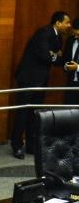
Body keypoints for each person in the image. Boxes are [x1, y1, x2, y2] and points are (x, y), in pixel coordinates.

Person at [11, 11, 71, 158]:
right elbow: (45, 55)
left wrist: (55, 55)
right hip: (28, 79)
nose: (68, 26)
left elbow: (56, 56)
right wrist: (55, 56)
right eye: (66, 22)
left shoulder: (59, 38)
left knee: (35, 113)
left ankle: (31, 145)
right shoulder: (43, 33)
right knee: (23, 112)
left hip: (41, 80)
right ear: (58, 22)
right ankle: (17, 145)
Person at [62, 22, 79, 106]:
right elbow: (65, 58)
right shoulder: (71, 40)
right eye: (74, 34)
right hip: (71, 83)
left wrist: (78, 67)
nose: (75, 37)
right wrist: (66, 66)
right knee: (69, 110)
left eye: (78, 34)